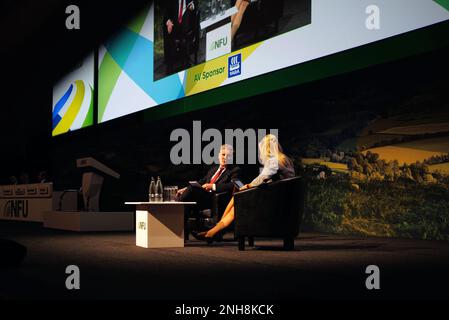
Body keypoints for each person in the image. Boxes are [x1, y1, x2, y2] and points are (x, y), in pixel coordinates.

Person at [196, 134, 295, 241]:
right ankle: (214, 231)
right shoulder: (285, 159)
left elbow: (262, 178)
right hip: (282, 200)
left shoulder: (274, 161)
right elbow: (273, 180)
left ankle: (214, 231)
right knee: (237, 199)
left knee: (237, 199)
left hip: (274, 202)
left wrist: (248, 186)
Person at [176, 144, 241, 231]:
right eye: (223, 154)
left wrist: (212, 186)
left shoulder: (235, 170)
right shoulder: (213, 169)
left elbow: (232, 185)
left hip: (213, 199)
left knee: (191, 191)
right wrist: (186, 189)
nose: (225, 157)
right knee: (187, 204)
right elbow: (202, 181)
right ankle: (178, 232)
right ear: (218, 155)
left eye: (228, 156)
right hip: (202, 196)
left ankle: (175, 205)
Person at [163, 0, 198, 73]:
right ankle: (170, 64)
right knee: (169, 34)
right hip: (175, 23)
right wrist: (168, 21)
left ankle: (186, 61)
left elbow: (195, 3)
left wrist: (192, 6)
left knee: (185, 34)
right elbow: (166, 12)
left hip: (186, 24)